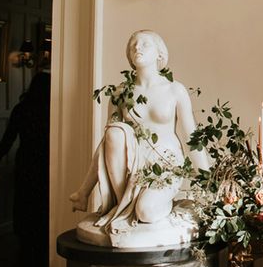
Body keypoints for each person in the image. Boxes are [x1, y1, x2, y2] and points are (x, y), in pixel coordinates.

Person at [70, 30, 208, 246]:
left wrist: (208, 180)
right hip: (130, 168)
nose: (137, 47)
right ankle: (122, 205)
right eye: (133, 44)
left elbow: (192, 136)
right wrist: (84, 191)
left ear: (159, 53)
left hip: (164, 164)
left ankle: (142, 204)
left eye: (145, 44)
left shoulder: (174, 90)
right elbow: (107, 142)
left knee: (147, 212)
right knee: (115, 130)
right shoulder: (120, 93)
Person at [0, 71, 51, 267]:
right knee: (42, 204)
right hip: (46, 162)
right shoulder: (51, 110)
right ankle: (41, 255)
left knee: (25, 204)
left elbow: (9, 138)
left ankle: (26, 255)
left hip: (26, 162)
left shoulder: (22, 109)